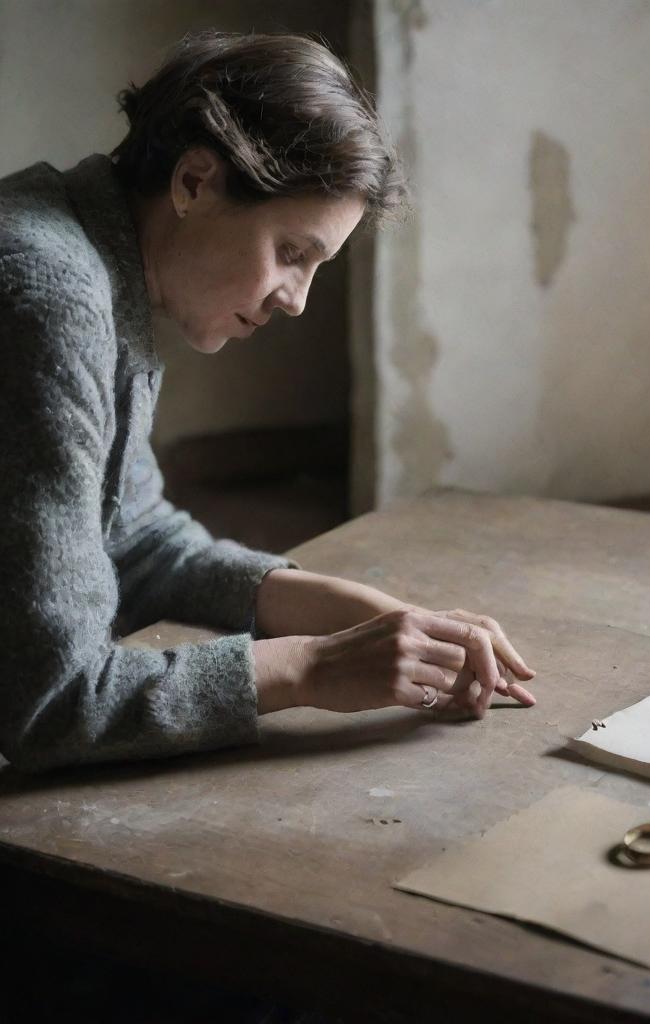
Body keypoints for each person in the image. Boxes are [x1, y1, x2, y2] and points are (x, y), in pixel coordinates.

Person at [0, 31, 536, 773]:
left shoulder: (90, 254)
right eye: (292, 253)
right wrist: (313, 669)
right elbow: (54, 702)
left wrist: (365, 614)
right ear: (194, 181)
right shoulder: (52, 296)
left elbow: (137, 537)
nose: (297, 302)